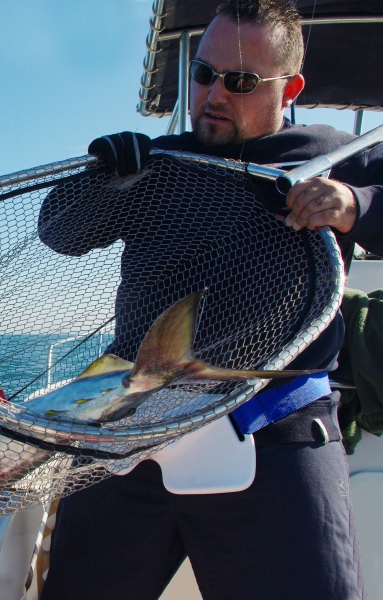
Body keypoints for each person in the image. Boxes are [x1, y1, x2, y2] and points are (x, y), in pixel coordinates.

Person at [38, 1, 383, 598]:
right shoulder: (158, 161)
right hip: (130, 424)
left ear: (289, 87)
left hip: (273, 427)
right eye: (204, 74)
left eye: (241, 81)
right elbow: (60, 232)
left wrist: (355, 203)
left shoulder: (331, 152)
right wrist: (101, 178)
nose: (214, 95)